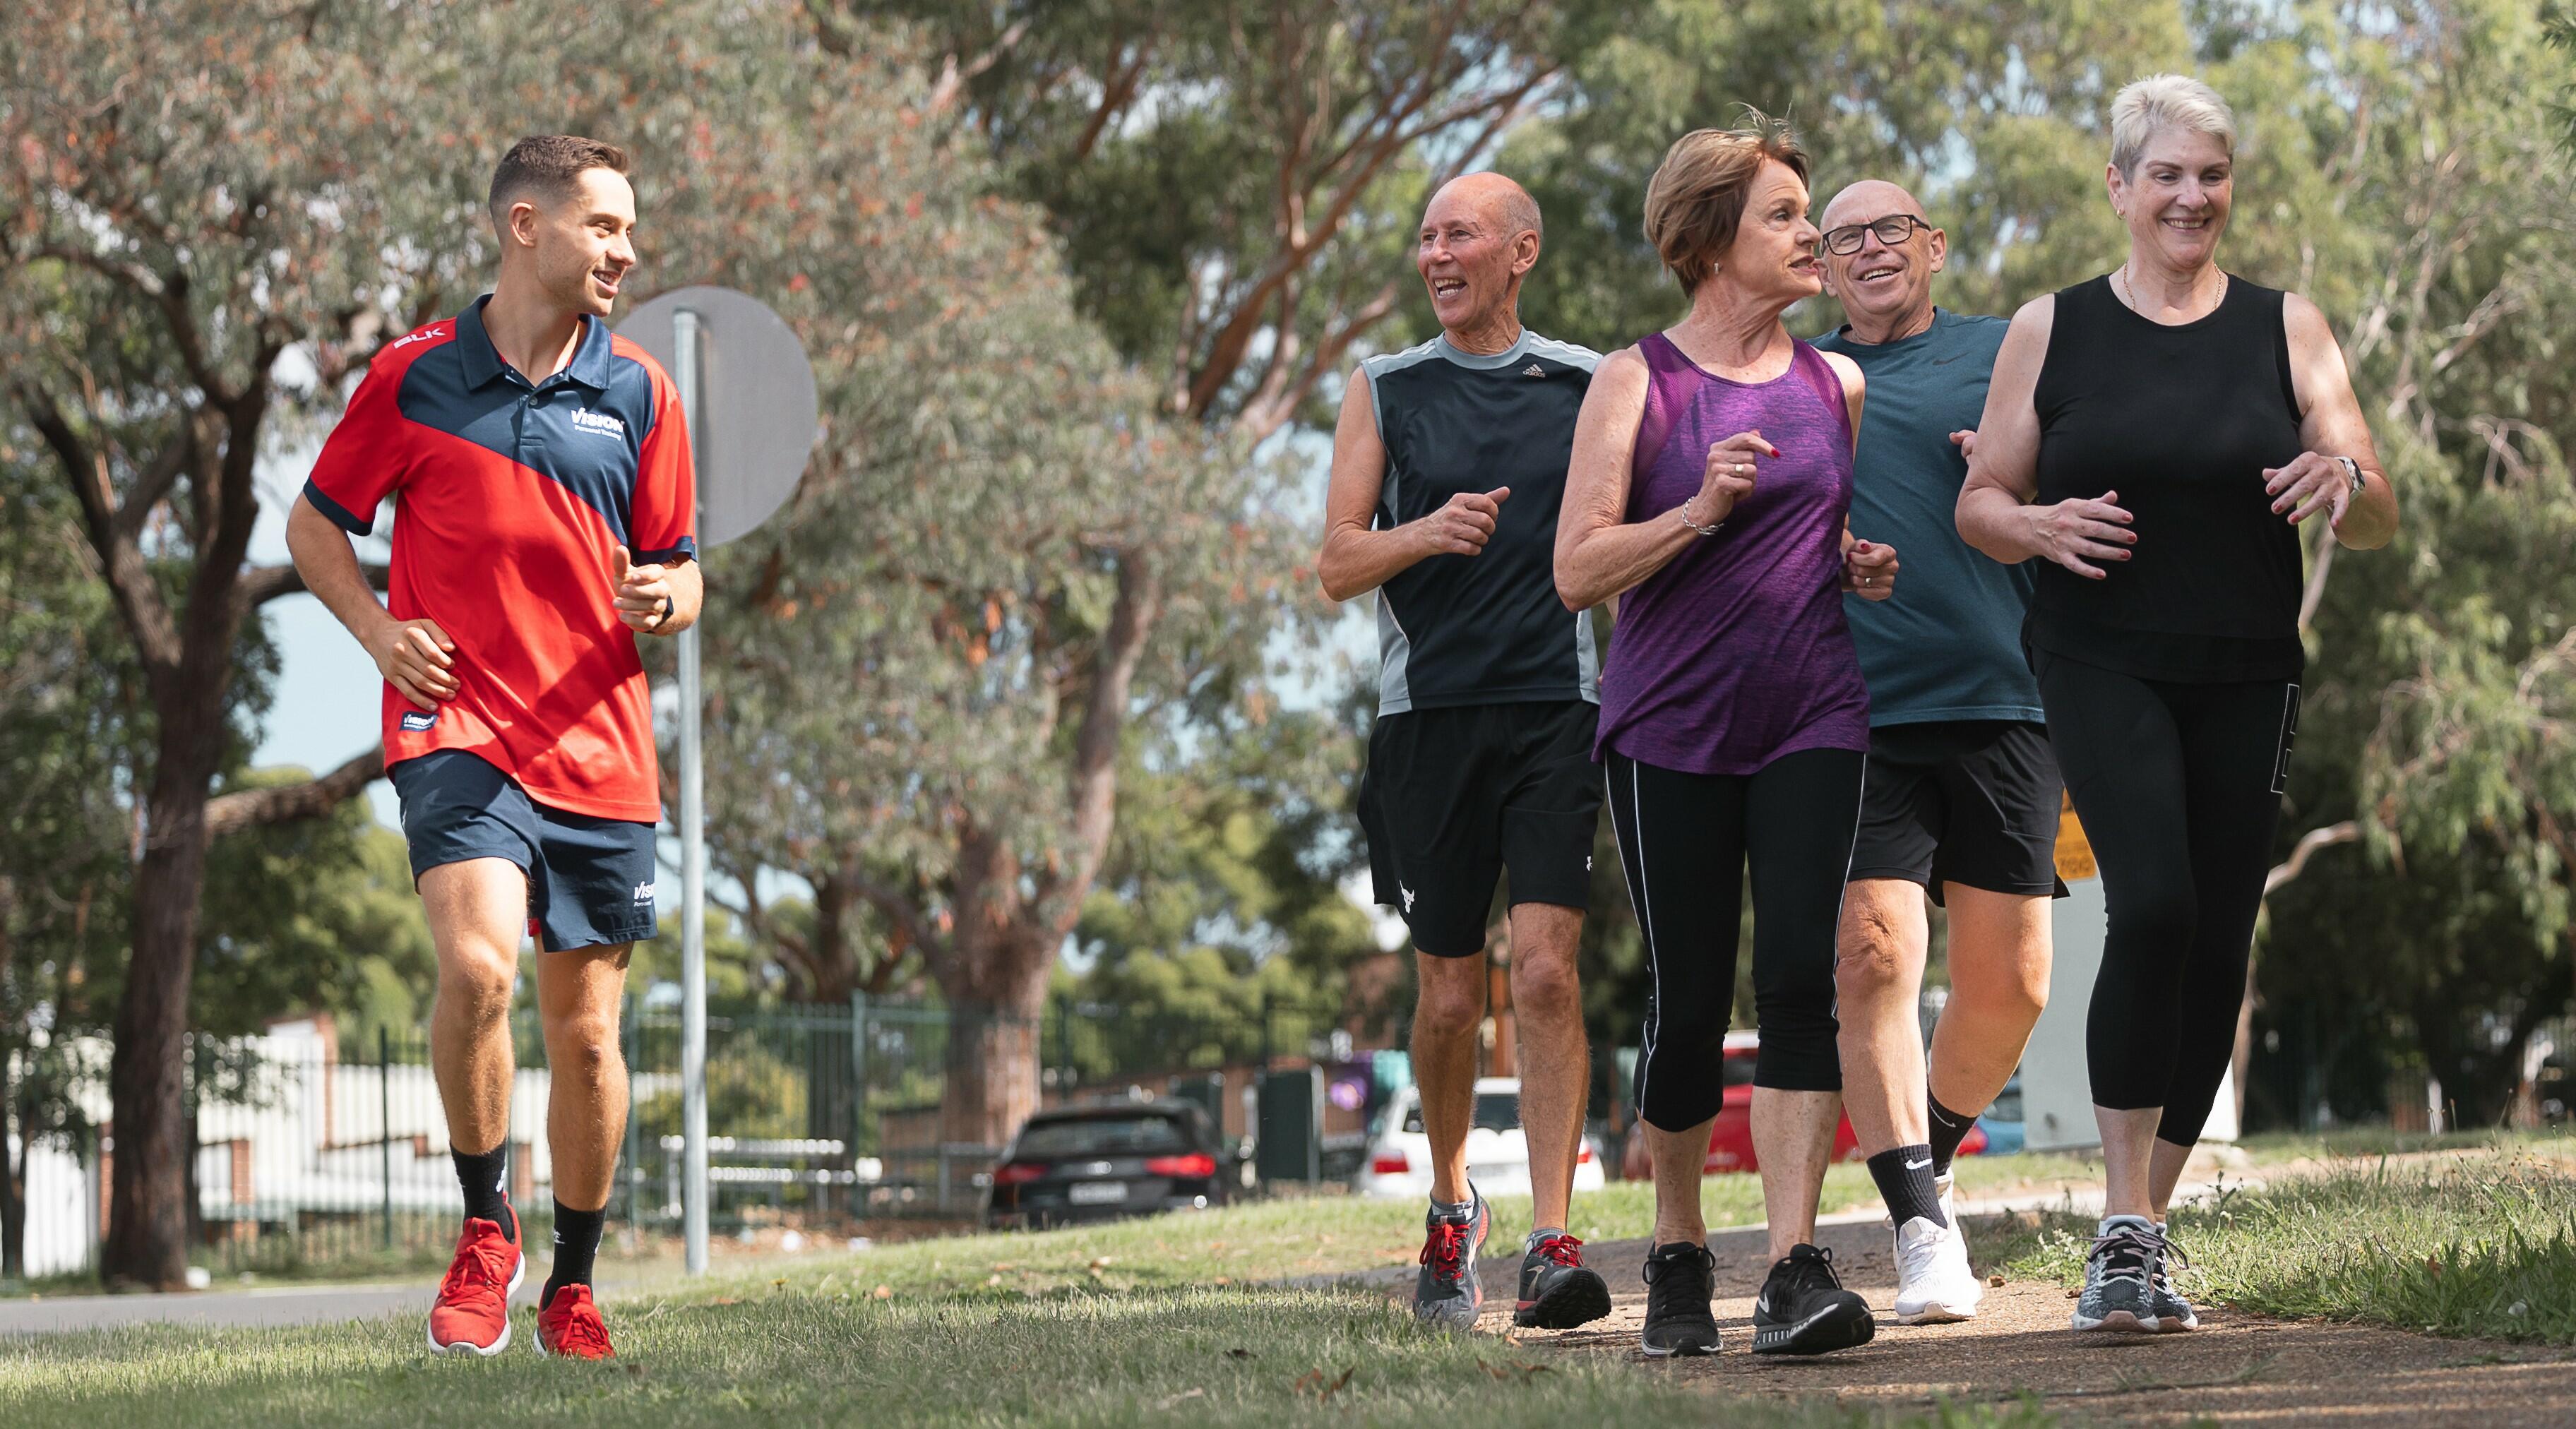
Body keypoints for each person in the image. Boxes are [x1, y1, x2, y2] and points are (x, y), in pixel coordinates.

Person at [1957, 74, 2397, 1334]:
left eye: (2211, 174)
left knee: (2216, 945)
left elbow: (2375, 511)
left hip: (2250, 665)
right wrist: (2034, 522)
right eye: (2167, 175)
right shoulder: (2056, 329)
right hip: (2099, 654)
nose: (2192, 196)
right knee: (2151, 903)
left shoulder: (2287, 327)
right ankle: (2120, 1225)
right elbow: (1980, 503)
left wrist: (2345, 474)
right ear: (2120, 188)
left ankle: (2143, 1229)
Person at [287, 134, 699, 1361]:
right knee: (477, 972)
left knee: (587, 1035)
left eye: (630, 228)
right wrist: (377, 630)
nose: (627, 249)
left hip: (602, 743)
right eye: (606, 226)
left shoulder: (640, 394)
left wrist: (669, 602)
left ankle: (572, 1284)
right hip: (456, 727)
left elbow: (682, 568)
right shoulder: (414, 377)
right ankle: (485, 1229)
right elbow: (316, 527)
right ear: (526, 227)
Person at [1556, 114, 1901, 1358]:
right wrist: (1698, 510)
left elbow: (1819, 534)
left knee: (1803, 980)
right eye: (1781, 217)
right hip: (1669, 732)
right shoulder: (1635, 381)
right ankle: (1681, 1250)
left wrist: (1857, 563)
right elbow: (1577, 569)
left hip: (1814, 712)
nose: (1811, 235)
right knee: (1691, 999)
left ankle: (1798, 1266)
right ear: (1708, 240)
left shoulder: (1835, 383)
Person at [1319, 173, 1612, 1332]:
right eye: (1426, 238)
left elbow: (1630, 535)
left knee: (1543, 972)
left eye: (1461, 236)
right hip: (1426, 723)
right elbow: (1338, 562)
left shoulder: (1589, 383)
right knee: (1448, 997)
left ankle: (1552, 1238)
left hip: (1556, 708)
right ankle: (1451, 1209)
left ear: (1521, 250)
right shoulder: (1386, 389)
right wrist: (1423, 534)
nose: (1437, 256)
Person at [1812, 181, 2061, 1325]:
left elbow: (2078, 483)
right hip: (1853, 709)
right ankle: (1917, 1226)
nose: (1869, 249)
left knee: (2012, 983)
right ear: (1818, 265)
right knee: (1873, 960)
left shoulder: (2008, 349)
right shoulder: (1804, 379)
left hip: (2007, 697)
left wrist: (2016, 473)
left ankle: (1936, 1153)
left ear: (1935, 248)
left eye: (1890, 230)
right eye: (1842, 236)